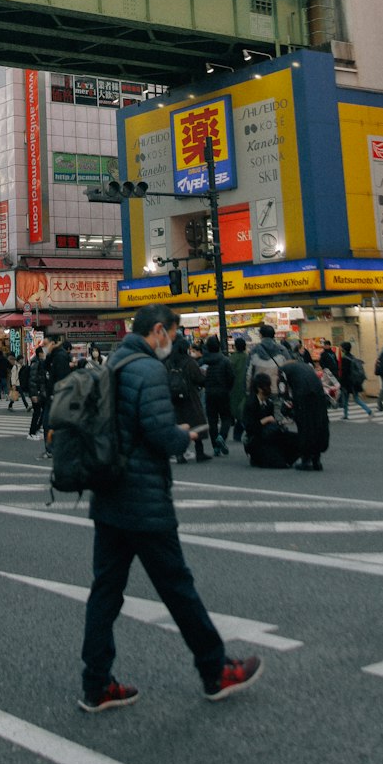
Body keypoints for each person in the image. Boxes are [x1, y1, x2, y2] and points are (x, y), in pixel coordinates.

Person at [78, 303, 262, 712]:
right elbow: (159, 433)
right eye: (173, 336)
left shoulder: (114, 365)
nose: (173, 343)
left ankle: (96, 683)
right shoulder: (148, 370)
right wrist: (183, 435)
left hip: (109, 497)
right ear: (158, 331)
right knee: (178, 588)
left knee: (105, 593)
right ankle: (216, 670)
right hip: (143, 500)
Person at [281, 356, 330, 470]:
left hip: (303, 397)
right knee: (318, 425)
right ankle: (316, 460)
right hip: (318, 396)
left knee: (305, 427)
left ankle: (306, 460)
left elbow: (283, 391)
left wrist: (287, 409)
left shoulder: (284, 370)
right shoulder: (306, 367)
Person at [243, 372, 299, 468]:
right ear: (259, 389)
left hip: (269, 434)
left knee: (296, 438)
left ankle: (287, 459)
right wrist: (266, 420)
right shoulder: (250, 404)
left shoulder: (269, 403)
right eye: (267, 386)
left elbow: (272, 422)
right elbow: (250, 427)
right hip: (256, 438)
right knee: (278, 463)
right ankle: (257, 458)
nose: (269, 388)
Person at [167, 334, 208, 463]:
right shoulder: (190, 362)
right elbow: (200, 379)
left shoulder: (169, 363)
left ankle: (180, 454)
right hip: (190, 397)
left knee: (179, 424)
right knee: (197, 422)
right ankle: (200, 452)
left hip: (174, 398)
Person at [201, 335, 234, 456]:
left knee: (212, 421)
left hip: (209, 392)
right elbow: (231, 377)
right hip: (223, 392)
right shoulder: (225, 360)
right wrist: (228, 388)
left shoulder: (204, 361)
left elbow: (200, 377)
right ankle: (222, 437)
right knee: (226, 418)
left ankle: (215, 447)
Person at [42, 336, 71, 455]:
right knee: (48, 423)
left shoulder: (60, 356)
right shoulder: (53, 356)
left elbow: (62, 378)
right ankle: (51, 448)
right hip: (51, 396)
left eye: (46, 344)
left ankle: (54, 448)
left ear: (53, 343)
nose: (44, 347)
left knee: (51, 423)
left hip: (57, 396)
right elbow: (45, 368)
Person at [338, 342, 373, 419]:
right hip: (354, 381)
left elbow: (344, 372)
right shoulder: (352, 357)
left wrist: (341, 382)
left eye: (341, 347)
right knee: (355, 398)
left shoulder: (345, 359)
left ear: (343, 349)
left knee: (347, 399)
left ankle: (346, 414)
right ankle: (368, 411)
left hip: (347, 382)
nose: (340, 348)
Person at [229, 335, 249, 444]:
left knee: (237, 411)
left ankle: (238, 433)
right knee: (244, 411)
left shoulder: (232, 358)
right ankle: (241, 432)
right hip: (246, 388)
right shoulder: (248, 357)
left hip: (234, 389)